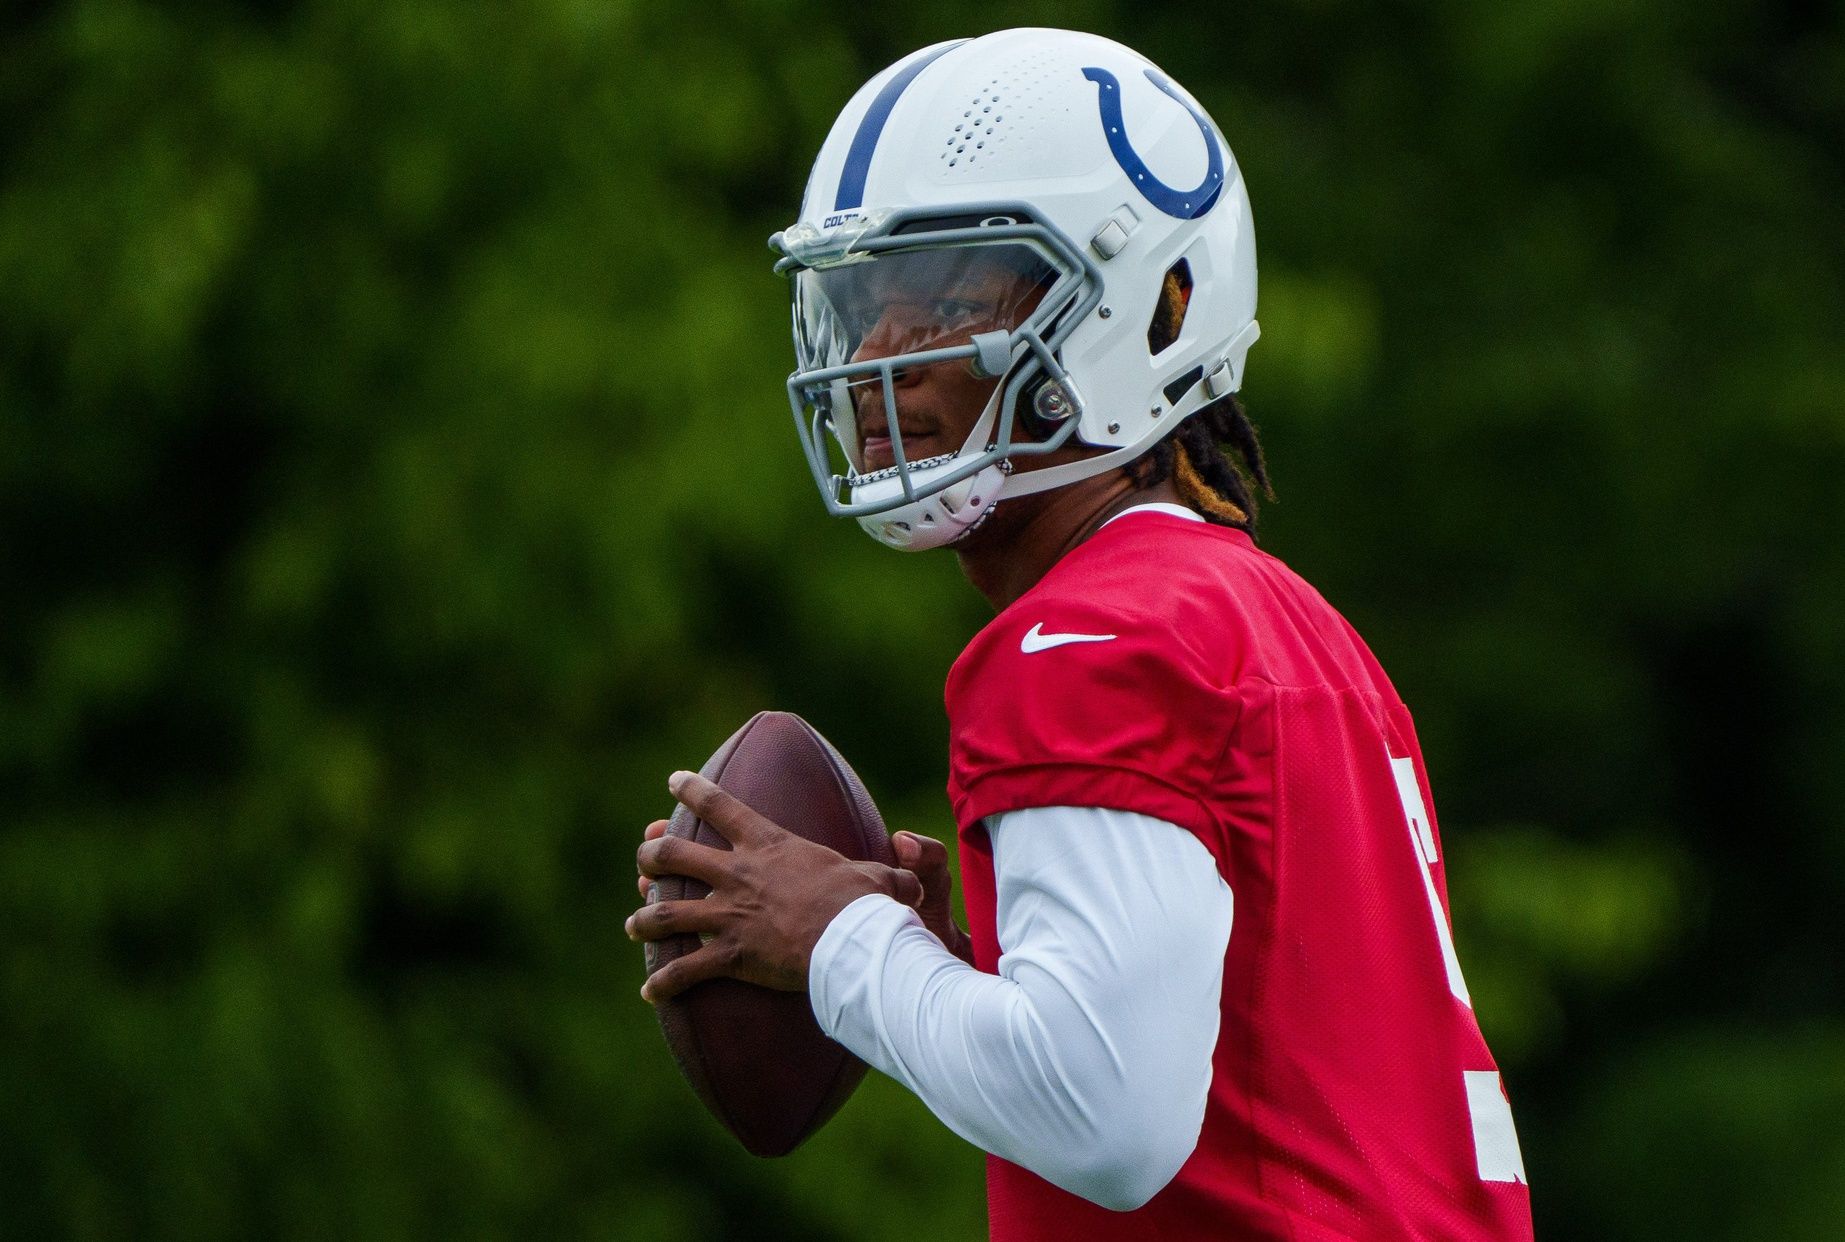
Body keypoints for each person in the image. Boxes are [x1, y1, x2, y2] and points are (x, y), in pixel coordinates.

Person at [627, 28, 1536, 1241]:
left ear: (1144, 307)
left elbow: (1103, 1116)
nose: (881, 357)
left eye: (948, 294)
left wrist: (836, 937)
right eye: (861, 300)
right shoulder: (1276, 618)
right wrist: (940, 970)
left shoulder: (1087, 636)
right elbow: (1252, 1069)